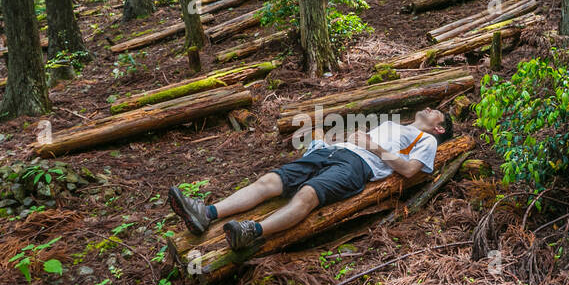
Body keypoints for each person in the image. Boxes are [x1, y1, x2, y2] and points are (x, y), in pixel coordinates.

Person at [168, 107, 455, 251]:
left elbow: (409, 170)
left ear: (439, 129)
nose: (430, 109)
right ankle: (206, 212)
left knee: (307, 195)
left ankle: (252, 232)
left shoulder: (426, 141)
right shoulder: (397, 124)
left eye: (436, 113)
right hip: (335, 152)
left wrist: (373, 147)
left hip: (358, 166)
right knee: (269, 181)